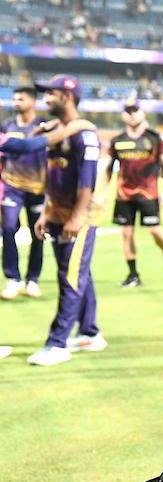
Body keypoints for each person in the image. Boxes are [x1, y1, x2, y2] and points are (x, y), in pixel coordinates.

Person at [26, 75, 104, 366]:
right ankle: (90, 332)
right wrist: (46, 212)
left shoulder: (84, 135)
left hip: (78, 219)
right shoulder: (56, 133)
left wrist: (77, 216)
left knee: (70, 277)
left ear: (67, 97)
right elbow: (52, 178)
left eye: (51, 93)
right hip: (58, 215)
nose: (45, 98)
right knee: (77, 272)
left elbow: (87, 184)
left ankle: (57, 343)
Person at [95, 101, 163, 288]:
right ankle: (133, 274)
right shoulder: (118, 140)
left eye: (135, 111)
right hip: (124, 195)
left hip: (148, 193)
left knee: (155, 230)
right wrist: (102, 193)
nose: (131, 114)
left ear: (143, 113)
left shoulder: (155, 138)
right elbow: (107, 168)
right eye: (128, 111)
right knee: (126, 233)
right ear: (123, 115)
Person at [1, 86, 47, 300]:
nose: (16, 102)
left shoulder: (43, 126)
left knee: (38, 234)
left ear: (33, 102)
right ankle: (13, 278)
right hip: (12, 186)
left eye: (21, 99)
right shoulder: (6, 126)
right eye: (15, 99)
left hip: (38, 189)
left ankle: (32, 280)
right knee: (8, 227)